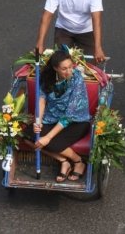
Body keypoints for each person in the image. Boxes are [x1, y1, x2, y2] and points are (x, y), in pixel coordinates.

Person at [24, 49, 91, 183]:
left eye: (70, 67)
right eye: (64, 69)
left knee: (49, 141)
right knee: (27, 137)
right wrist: (39, 120)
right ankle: (63, 160)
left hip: (76, 121)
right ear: (55, 68)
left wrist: (48, 137)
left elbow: (69, 115)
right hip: (52, 117)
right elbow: (42, 99)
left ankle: (79, 161)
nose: (69, 71)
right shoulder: (46, 78)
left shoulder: (77, 79)